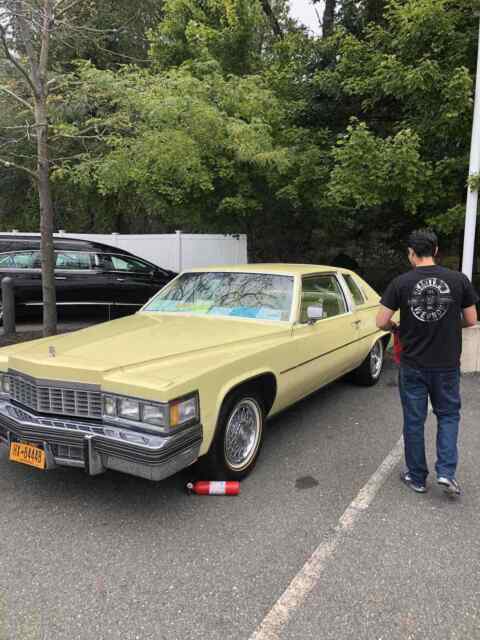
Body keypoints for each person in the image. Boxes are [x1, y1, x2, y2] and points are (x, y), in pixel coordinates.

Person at [376, 229, 478, 496]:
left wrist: (393, 325)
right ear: (435, 250)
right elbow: (471, 319)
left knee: (413, 420)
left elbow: (380, 321)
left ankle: (417, 477)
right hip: (446, 364)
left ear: (411, 253)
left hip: (413, 364)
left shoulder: (400, 283)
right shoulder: (458, 280)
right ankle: (446, 472)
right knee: (448, 416)